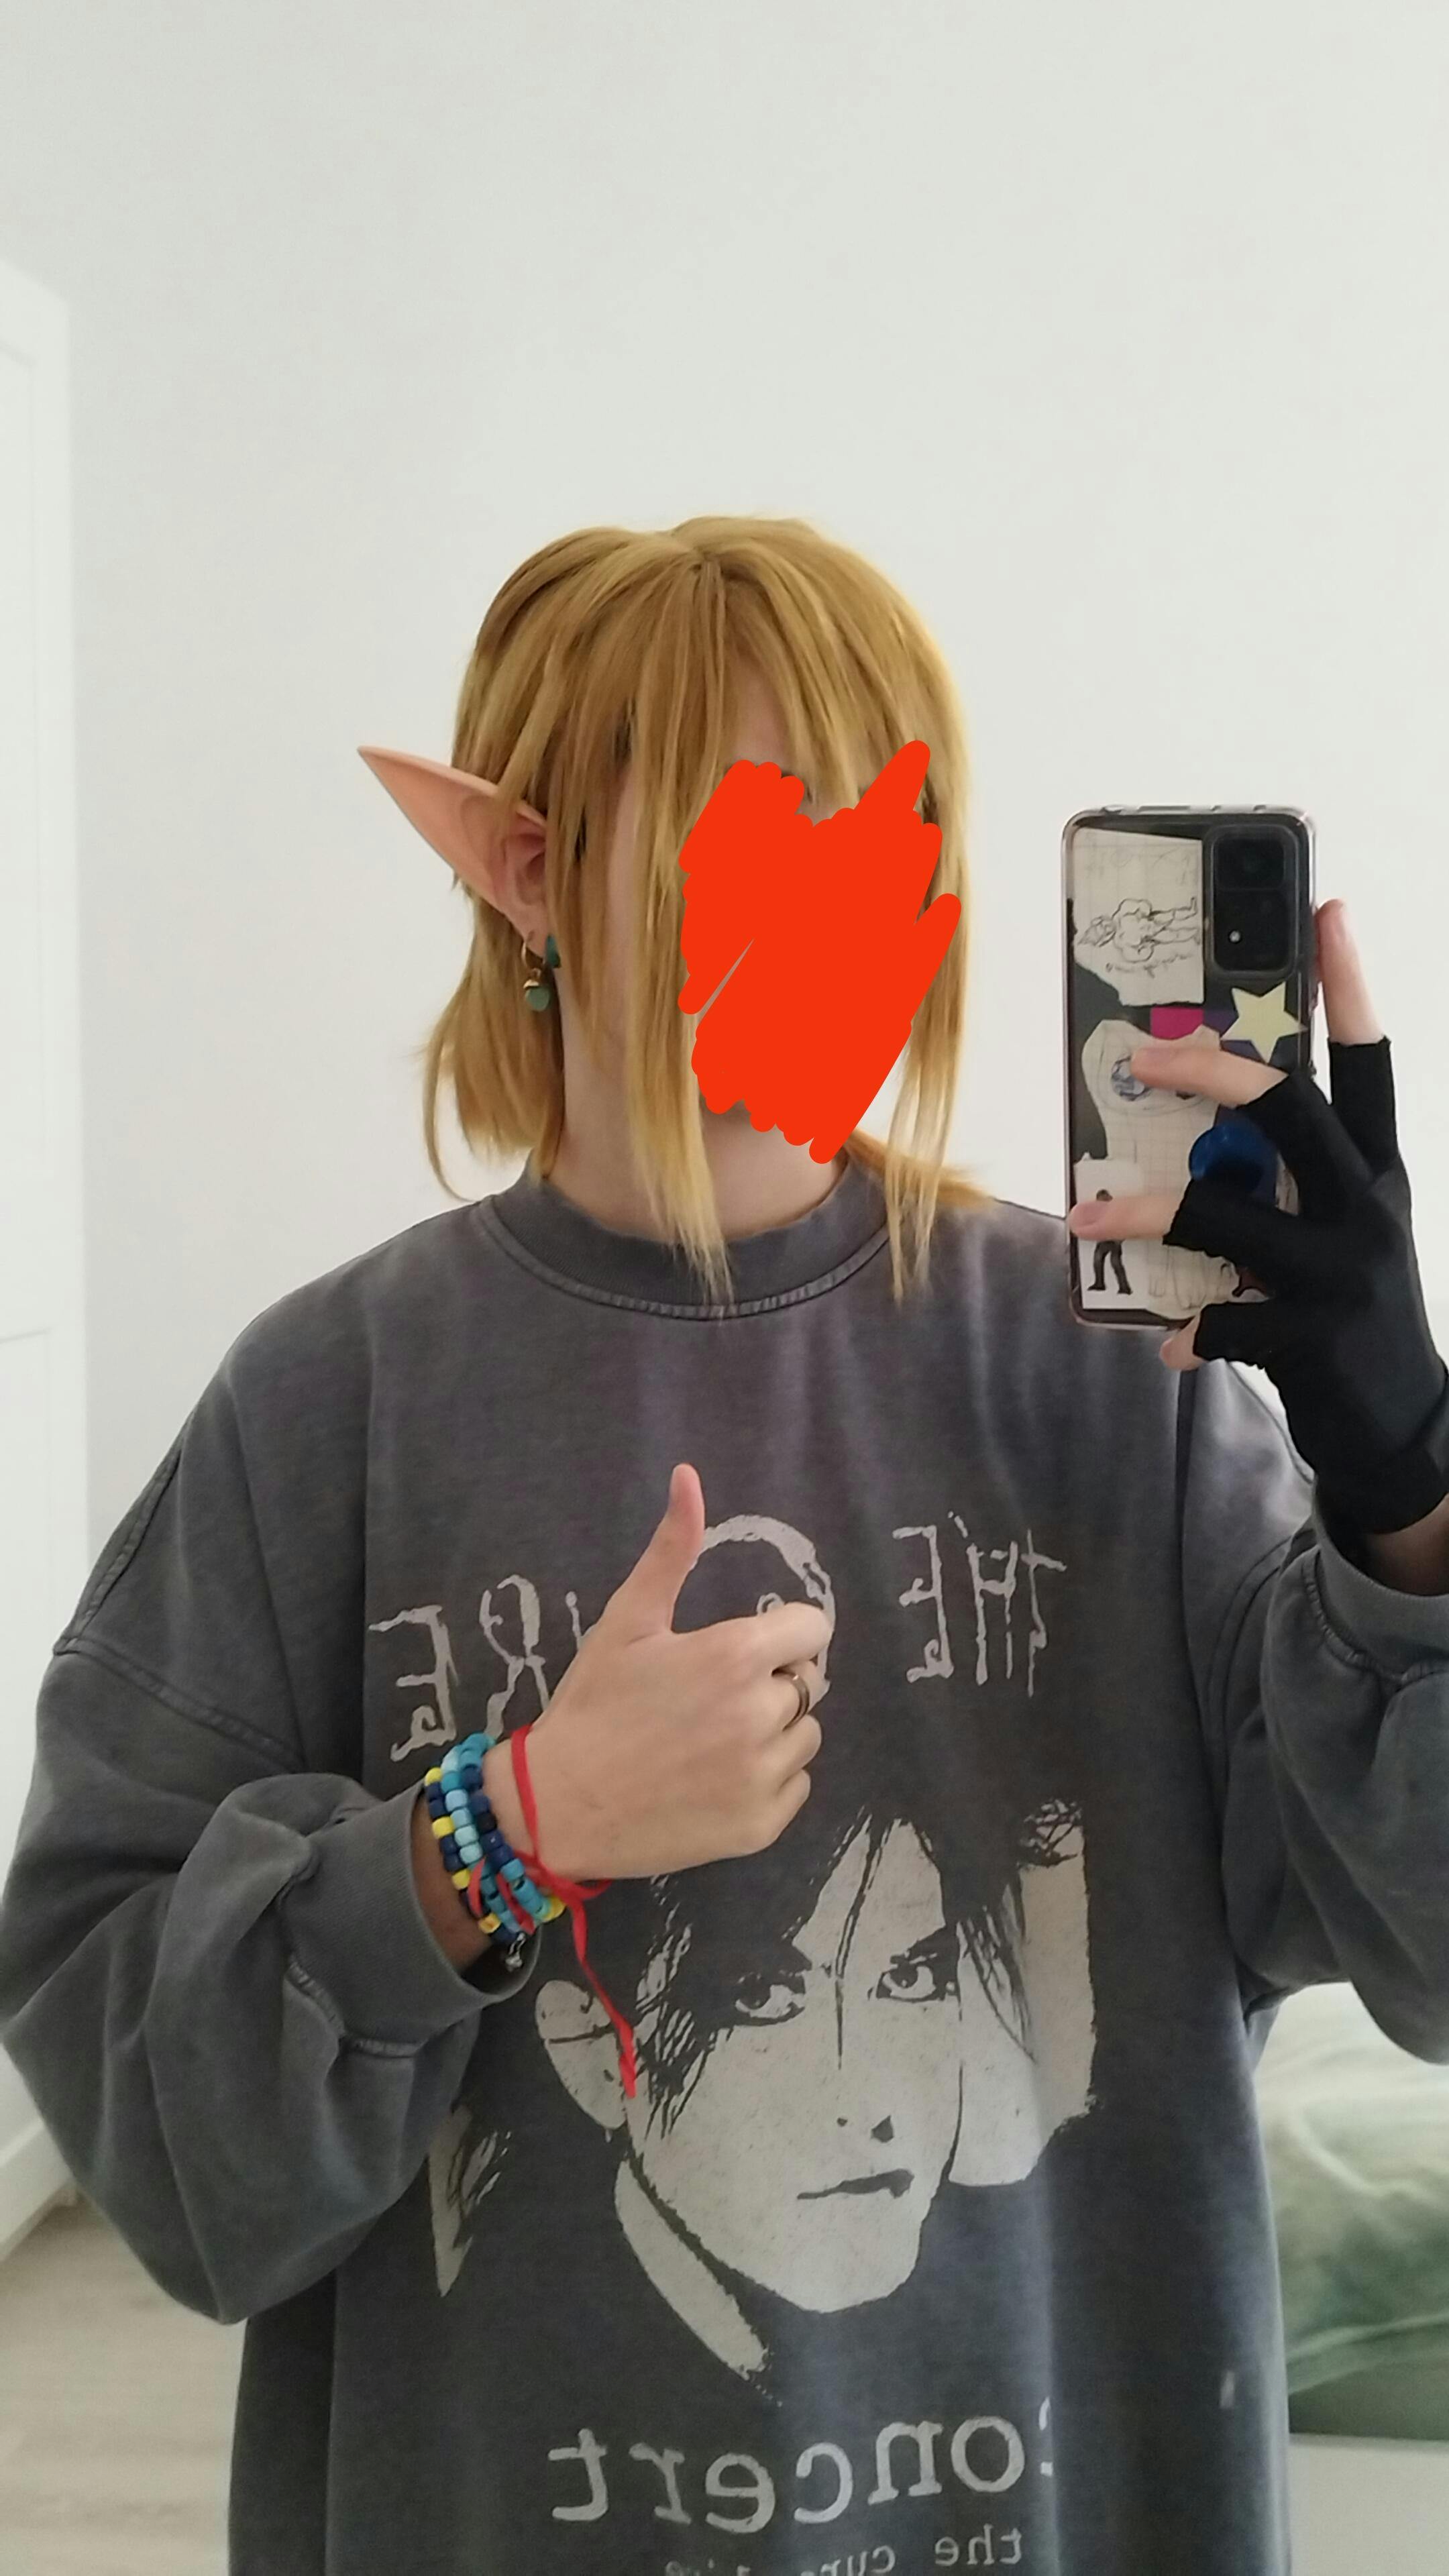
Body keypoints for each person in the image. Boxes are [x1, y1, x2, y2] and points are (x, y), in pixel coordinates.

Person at [1, 515, 1448, 2576]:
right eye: (765, 830)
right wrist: (506, 1834)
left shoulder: (1122, 1382)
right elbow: (161, 2156)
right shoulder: (324, 1409)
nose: (862, 899)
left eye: (900, 828)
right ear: (529, 870)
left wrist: (1407, 1485)